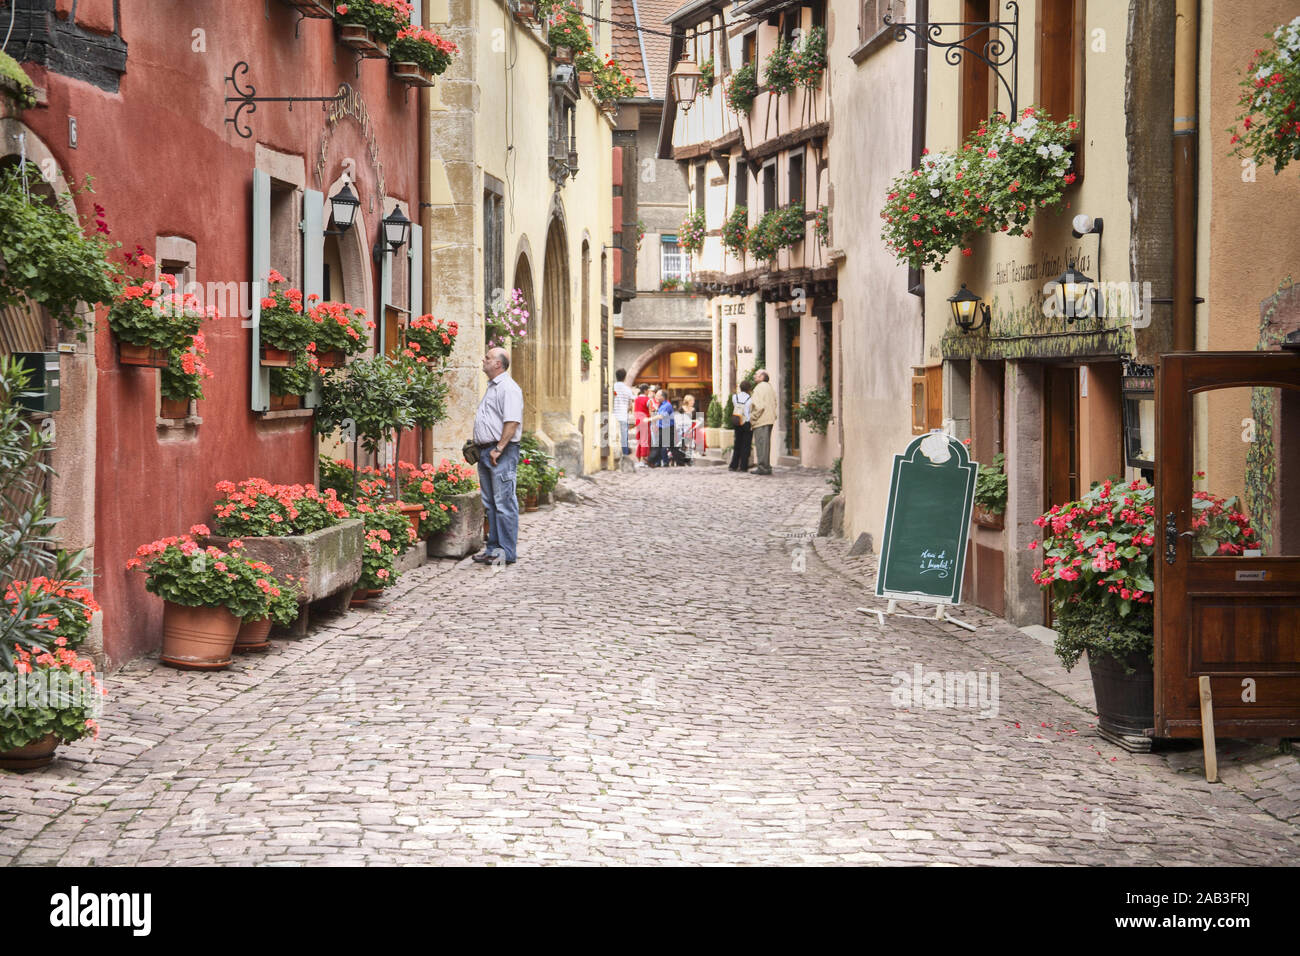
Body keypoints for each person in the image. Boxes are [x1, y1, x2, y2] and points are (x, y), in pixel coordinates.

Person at [470, 347, 524, 565]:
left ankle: (506, 552)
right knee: (490, 503)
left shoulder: (508, 388)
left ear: (498, 364)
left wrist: (499, 448)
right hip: (487, 451)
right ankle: (493, 548)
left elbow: (512, 422)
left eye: (489, 357)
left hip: (500, 452)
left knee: (504, 503)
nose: (484, 359)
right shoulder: (493, 387)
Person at [749, 369, 777, 475]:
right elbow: (775, 402)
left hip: (761, 420)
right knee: (766, 444)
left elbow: (759, 406)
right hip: (769, 419)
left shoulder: (759, 388)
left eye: (756, 374)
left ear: (762, 377)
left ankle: (762, 468)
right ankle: (766, 466)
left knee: (761, 444)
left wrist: (753, 417)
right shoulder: (770, 387)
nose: (754, 376)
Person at [729, 379, 753, 472]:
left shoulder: (735, 397)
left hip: (737, 421)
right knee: (746, 445)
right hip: (746, 422)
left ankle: (733, 465)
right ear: (749, 389)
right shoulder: (750, 399)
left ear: (740, 388)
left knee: (737, 443)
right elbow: (750, 411)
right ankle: (743, 466)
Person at [613, 368, 635, 458]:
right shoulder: (628, 390)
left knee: (612, 438)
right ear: (625, 377)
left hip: (613, 416)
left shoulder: (612, 387)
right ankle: (625, 458)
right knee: (624, 439)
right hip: (623, 416)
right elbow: (630, 406)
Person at [650, 389, 674, 467]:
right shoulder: (661, 405)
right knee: (660, 445)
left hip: (667, 428)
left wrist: (649, 419)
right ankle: (659, 462)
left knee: (662, 446)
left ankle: (661, 461)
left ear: (663, 397)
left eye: (657, 395)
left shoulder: (667, 405)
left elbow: (661, 416)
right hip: (661, 427)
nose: (655, 397)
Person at [633, 384, 651, 466]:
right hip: (644, 420)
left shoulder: (636, 399)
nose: (649, 391)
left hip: (637, 421)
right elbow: (651, 411)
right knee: (645, 440)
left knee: (640, 441)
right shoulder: (647, 399)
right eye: (648, 390)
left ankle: (639, 458)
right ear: (645, 390)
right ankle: (643, 460)